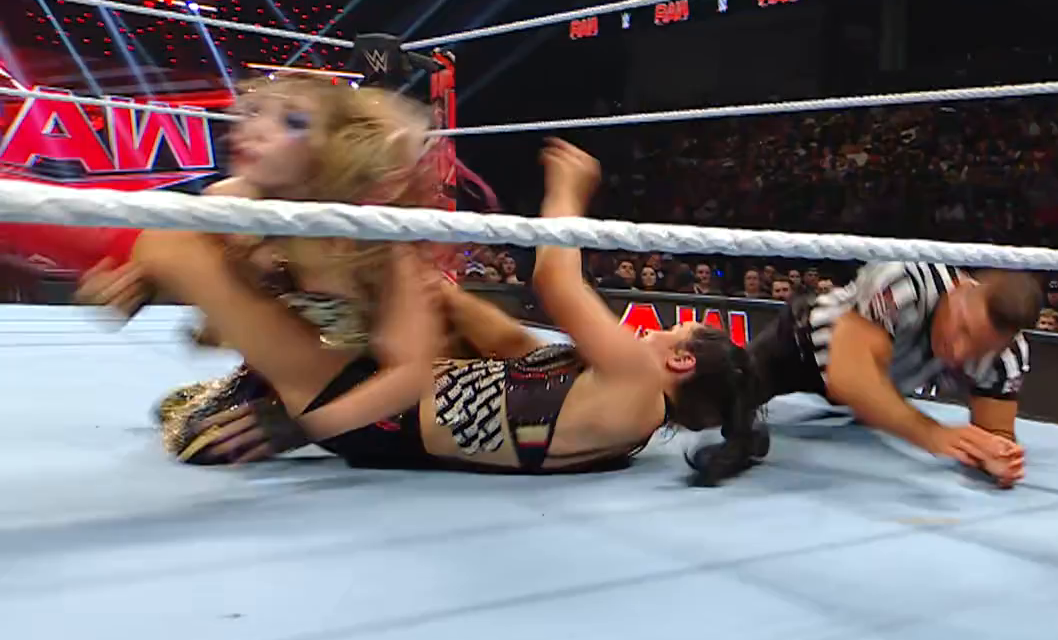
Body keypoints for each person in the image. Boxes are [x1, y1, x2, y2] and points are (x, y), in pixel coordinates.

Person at [85, 137, 764, 480]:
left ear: (680, 360)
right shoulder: (622, 429)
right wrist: (443, 300)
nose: (651, 333)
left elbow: (556, 280)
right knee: (345, 260)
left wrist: (568, 191)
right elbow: (515, 355)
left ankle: (176, 290)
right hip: (386, 415)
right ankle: (219, 311)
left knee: (173, 240)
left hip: (367, 403)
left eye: (669, 332)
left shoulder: (637, 385)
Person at [79, 77, 547, 459]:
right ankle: (269, 389)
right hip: (327, 354)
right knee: (172, 246)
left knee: (477, 327)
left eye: (293, 120)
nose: (254, 129)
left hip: (399, 387)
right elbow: (222, 284)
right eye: (253, 111)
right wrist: (142, 284)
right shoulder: (231, 204)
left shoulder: (371, 239)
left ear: (333, 150)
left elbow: (418, 370)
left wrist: (302, 427)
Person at [746, 258, 1038, 486]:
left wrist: (995, 457)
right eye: (963, 329)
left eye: (980, 349)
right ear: (960, 290)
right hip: (805, 346)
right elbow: (847, 377)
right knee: (728, 392)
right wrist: (931, 433)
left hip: (879, 385)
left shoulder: (1005, 356)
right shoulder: (904, 280)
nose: (960, 353)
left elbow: (995, 433)